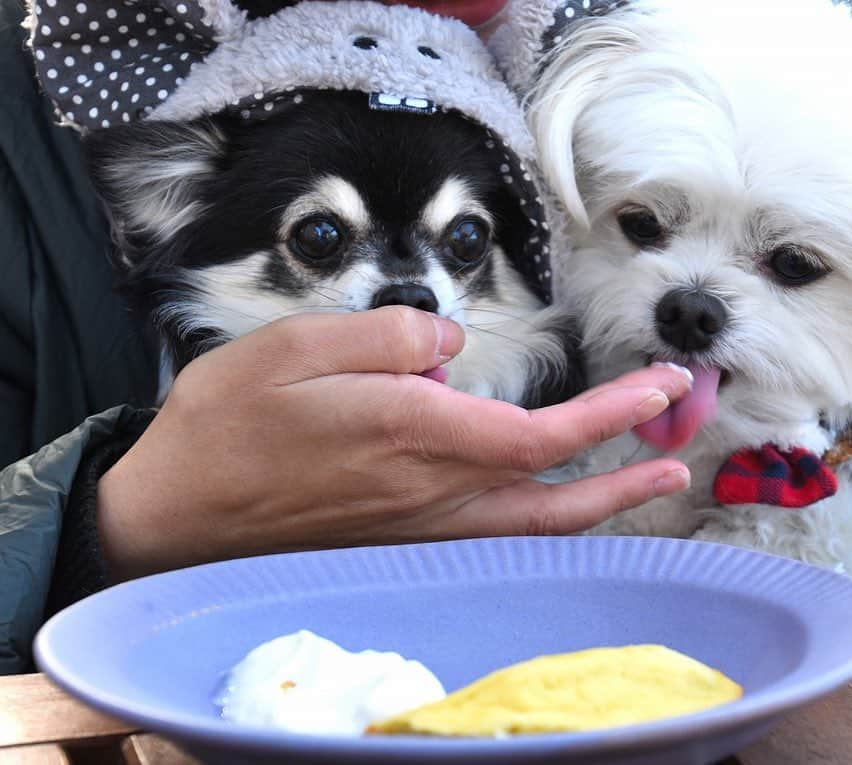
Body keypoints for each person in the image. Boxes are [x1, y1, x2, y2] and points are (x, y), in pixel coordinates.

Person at [0, 0, 693, 675]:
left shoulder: (668, 72)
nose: (411, 287)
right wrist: (130, 518)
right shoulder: (25, 107)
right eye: (322, 237)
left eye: (463, 240)